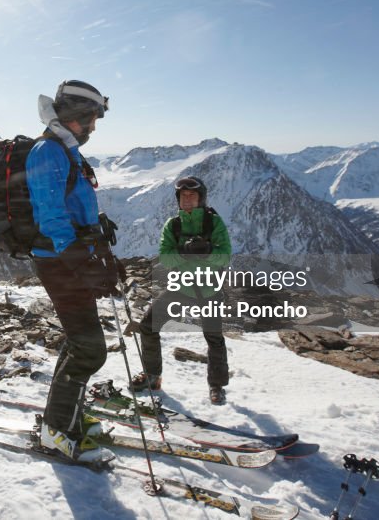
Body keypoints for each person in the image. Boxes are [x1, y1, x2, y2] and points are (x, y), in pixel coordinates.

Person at [26, 80, 119, 462]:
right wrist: (84, 262)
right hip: (59, 262)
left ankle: (67, 416)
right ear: (74, 116)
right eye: (91, 118)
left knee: (81, 342)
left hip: (69, 258)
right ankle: (57, 431)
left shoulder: (66, 150)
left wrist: (97, 226)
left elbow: (71, 202)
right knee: (90, 350)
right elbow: (51, 218)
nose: (95, 126)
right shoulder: (47, 151)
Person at [130, 176, 233, 404]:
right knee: (148, 325)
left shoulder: (214, 222)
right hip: (181, 288)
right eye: (183, 196)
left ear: (201, 198)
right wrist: (189, 252)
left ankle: (216, 386)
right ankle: (152, 376)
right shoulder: (173, 224)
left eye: (192, 195)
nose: (187, 199)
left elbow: (224, 256)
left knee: (214, 337)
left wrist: (201, 254)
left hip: (208, 289)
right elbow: (165, 258)